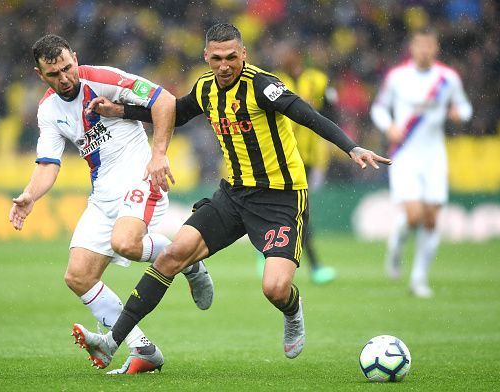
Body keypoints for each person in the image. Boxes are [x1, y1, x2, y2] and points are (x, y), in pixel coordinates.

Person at [72, 23, 390, 369]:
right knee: (171, 256)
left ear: (244, 54)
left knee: (275, 289)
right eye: (218, 58)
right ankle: (110, 341)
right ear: (206, 56)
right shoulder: (206, 87)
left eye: (232, 57)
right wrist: (121, 111)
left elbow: (308, 116)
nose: (225, 65)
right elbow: (175, 112)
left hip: (281, 198)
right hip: (234, 194)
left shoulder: (263, 86)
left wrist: (351, 147)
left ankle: (293, 309)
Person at [8, 34, 214, 374]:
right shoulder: (48, 110)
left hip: (140, 179)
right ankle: (142, 349)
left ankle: (188, 261)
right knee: (77, 276)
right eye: (54, 74)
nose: (64, 78)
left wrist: (159, 155)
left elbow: (164, 102)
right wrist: (30, 195)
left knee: (126, 243)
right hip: (102, 195)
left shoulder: (104, 78)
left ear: (75, 58)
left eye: (67, 68)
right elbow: (48, 163)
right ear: (39, 74)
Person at [370, 28, 472, 298]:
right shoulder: (398, 77)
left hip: (434, 154)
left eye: (430, 46)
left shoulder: (447, 78)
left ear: (436, 49)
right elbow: (378, 108)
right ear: (412, 48)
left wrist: (458, 113)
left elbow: (465, 107)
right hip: (405, 153)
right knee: (414, 215)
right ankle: (396, 245)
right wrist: (389, 126)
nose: (425, 50)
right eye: (420, 45)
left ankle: (418, 279)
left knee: (431, 219)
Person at [272, 40, 338, 284]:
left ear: (296, 54)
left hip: (308, 158)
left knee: (298, 210)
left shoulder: (318, 79)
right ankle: (313, 265)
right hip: (280, 154)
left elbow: (332, 112)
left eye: (284, 51)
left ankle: (271, 249)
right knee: (292, 210)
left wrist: (331, 142)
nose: (280, 56)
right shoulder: (272, 80)